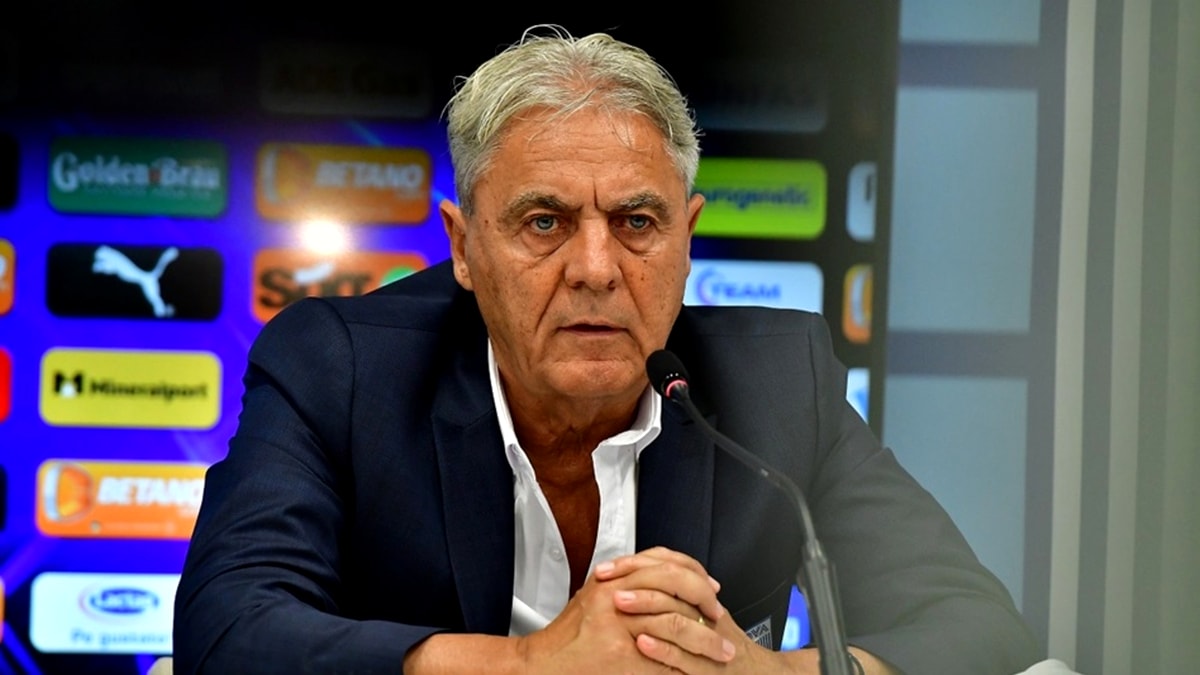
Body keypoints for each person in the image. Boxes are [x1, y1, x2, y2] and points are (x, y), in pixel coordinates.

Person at [174, 27, 1040, 674]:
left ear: (686, 238)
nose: (596, 268)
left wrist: (765, 673)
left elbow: (975, 625)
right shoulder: (339, 369)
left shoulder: (779, 384)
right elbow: (225, 629)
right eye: (543, 222)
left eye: (636, 221)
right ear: (465, 248)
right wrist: (530, 663)